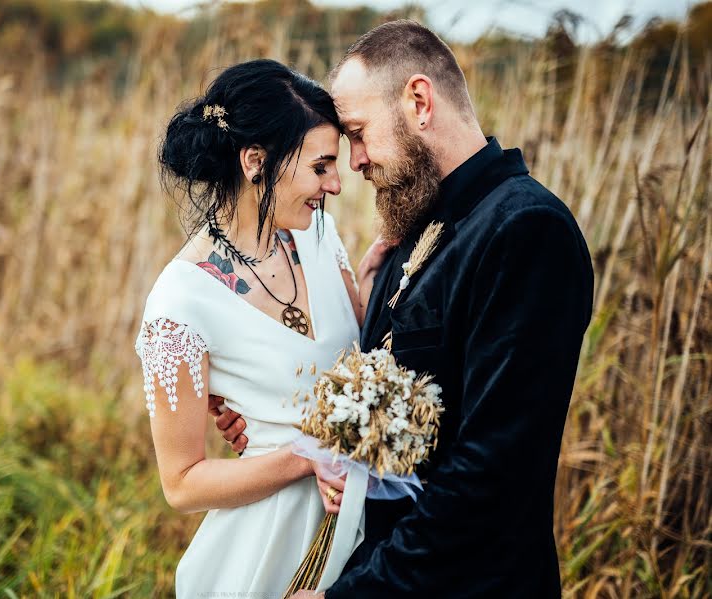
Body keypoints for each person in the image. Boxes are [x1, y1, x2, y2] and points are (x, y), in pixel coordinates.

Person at [218, 21, 595, 598]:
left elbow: (491, 474)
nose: (357, 162)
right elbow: (391, 401)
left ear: (419, 101)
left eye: (360, 133)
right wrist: (263, 409)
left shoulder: (525, 230)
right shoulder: (412, 231)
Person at [134, 58, 374, 597]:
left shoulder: (319, 237)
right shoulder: (180, 304)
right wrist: (303, 455)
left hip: (363, 539)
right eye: (320, 167)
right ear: (255, 162)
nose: (335, 184)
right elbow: (182, 484)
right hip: (268, 551)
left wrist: (380, 288)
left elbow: (356, 367)